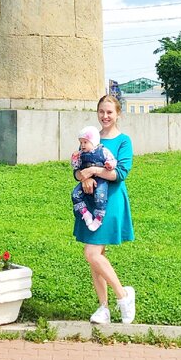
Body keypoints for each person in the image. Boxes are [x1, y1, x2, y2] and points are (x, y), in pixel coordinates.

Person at [73, 94, 135, 325]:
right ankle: (103, 307)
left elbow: (119, 174)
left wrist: (92, 172)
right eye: (102, 112)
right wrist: (83, 177)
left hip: (111, 202)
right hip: (89, 201)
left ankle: (124, 295)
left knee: (91, 253)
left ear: (118, 114)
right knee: (96, 257)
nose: (105, 116)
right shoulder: (90, 137)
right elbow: (78, 167)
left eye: (110, 112)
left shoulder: (123, 141)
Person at [71, 126, 116, 231]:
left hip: (101, 179)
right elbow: (76, 168)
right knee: (75, 194)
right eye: (81, 142)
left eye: (85, 142)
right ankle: (85, 213)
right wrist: (74, 158)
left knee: (100, 196)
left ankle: (99, 218)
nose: (82, 145)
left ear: (93, 141)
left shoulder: (103, 151)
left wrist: (110, 165)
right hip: (85, 179)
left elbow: (112, 160)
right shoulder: (81, 154)